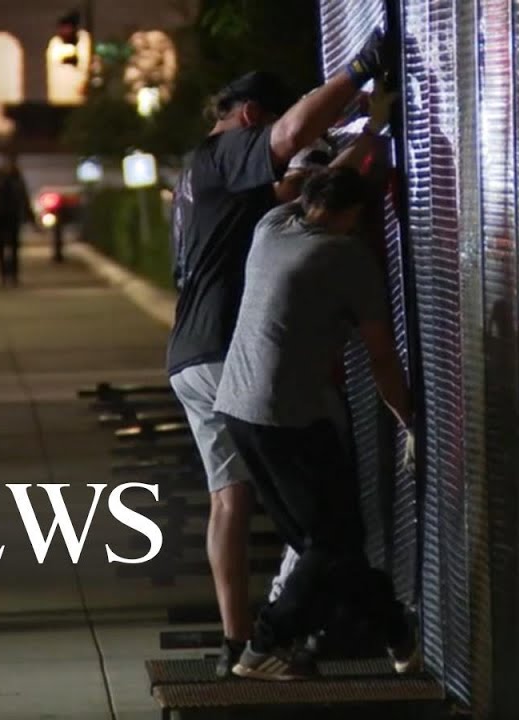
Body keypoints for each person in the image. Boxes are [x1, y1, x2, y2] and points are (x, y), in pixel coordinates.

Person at [165, 27, 397, 678]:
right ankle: (284, 631)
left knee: (232, 500)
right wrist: (361, 68)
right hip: (239, 356)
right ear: (248, 117)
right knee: (316, 506)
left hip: (189, 355)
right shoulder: (227, 154)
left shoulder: (198, 179)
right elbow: (293, 136)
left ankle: (238, 641)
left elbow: (304, 193)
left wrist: (364, 132)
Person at [213, 166, 416, 681]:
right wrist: (408, 419)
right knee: (330, 541)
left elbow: (303, 187)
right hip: (289, 416)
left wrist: (359, 141)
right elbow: (381, 355)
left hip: (238, 409)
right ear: (352, 214)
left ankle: (398, 636)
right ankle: (263, 645)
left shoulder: (273, 226)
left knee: (328, 544)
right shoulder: (345, 256)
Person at [0, 151, 36, 287]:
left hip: (13, 217)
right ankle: (3, 275)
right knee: (0, 247)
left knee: (14, 247)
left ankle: (13, 275)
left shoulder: (17, 178)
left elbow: (24, 198)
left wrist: (29, 216)